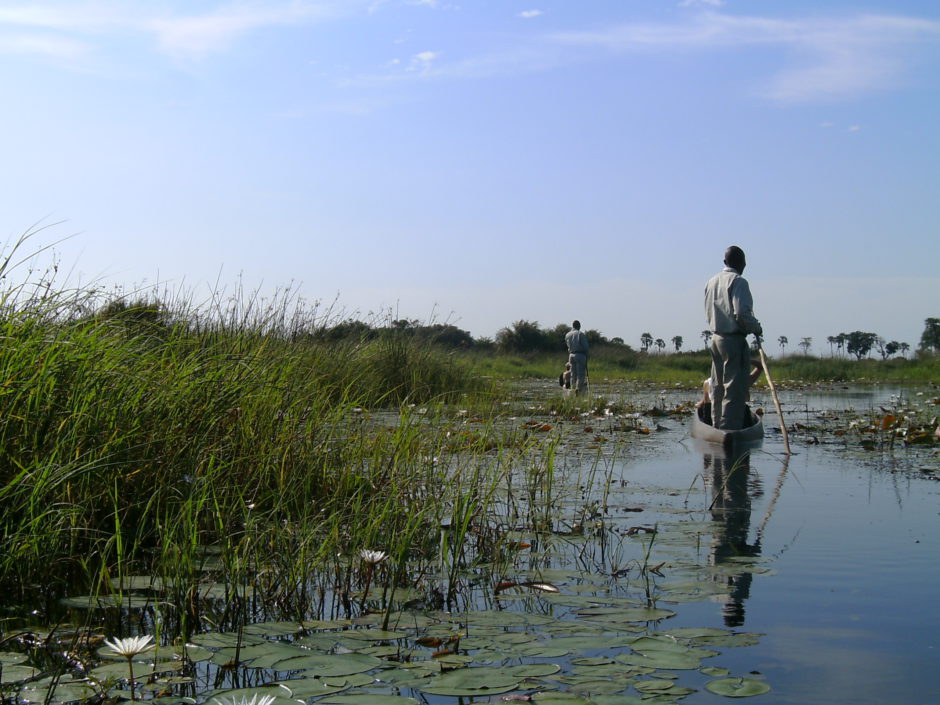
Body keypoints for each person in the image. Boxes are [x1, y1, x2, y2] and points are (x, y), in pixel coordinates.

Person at [704, 246, 762, 429]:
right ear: (743, 263)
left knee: (718, 387)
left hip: (715, 339)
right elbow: (741, 314)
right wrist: (757, 328)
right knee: (734, 390)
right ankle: (729, 430)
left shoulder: (711, 282)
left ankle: (717, 427)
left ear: (725, 262)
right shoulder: (739, 281)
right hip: (733, 340)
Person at [564, 320, 589, 394]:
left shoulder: (567, 335)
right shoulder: (580, 334)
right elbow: (585, 347)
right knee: (580, 374)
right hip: (580, 355)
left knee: (573, 374)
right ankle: (578, 390)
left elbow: (568, 346)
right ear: (579, 326)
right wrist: (587, 355)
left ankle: (573, 388)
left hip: (571, 355)